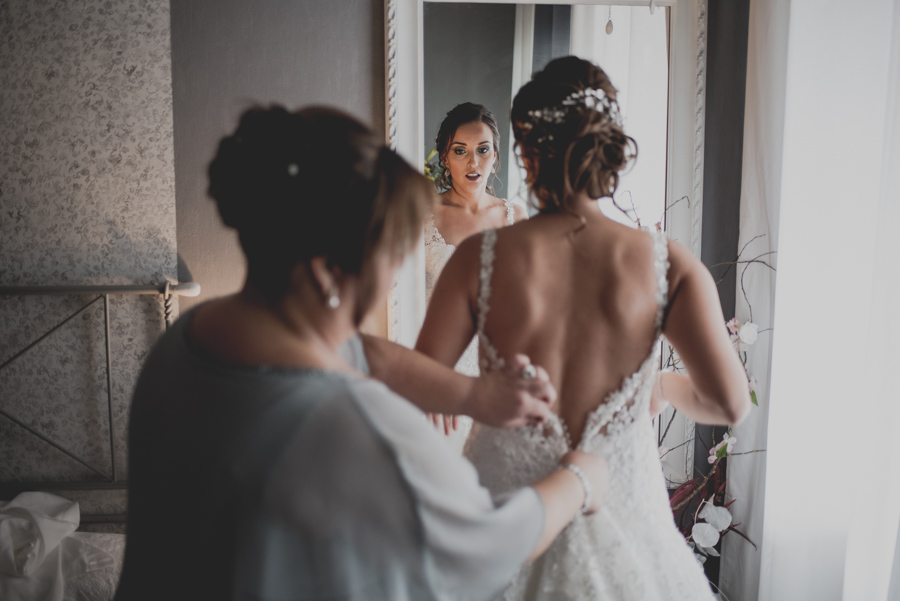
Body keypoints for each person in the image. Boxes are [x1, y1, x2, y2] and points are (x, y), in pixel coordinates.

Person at [114, 105, 609, 601]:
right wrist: (580, 479)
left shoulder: (186, 341)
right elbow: (490, 543)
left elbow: (366, 353)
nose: (395, 273)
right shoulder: (357, 426)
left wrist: (476, 395)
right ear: (327, 271)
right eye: (391, 253)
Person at [415, 57, 751, 600]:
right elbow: (728, 404)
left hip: (504, 521)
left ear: (522, 153)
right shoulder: (669, 265)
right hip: (627, 523)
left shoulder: (480, 259)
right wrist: (660, 386)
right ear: (609, 144)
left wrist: (481, 395)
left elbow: (420, 383)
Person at [426, 103, 527, 448]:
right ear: (445, 158)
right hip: (444, 373)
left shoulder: (515, 216)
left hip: (499, 374)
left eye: (482, 150)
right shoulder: (423, 216)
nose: (473, 163)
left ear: (495, 156)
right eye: (460, 151)